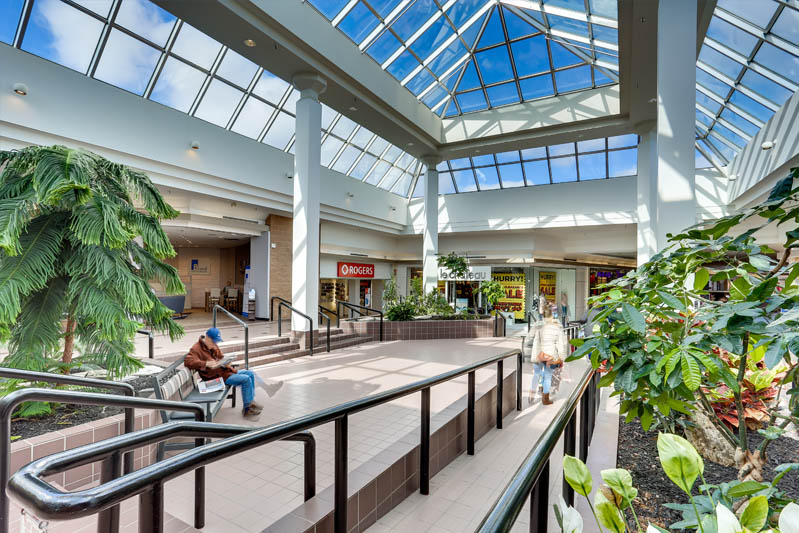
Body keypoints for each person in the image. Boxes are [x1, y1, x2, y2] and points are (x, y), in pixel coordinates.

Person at [184, 327, 264, 419]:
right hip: (214, 378)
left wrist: (226, 362)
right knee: (246, 379)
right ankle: (247, 408)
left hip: (224, 372)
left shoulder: (213, 346)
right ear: (207, 338)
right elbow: (188, 361)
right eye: (214, 341)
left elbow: (221, 357)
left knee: (250, 373)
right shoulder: (196, 348)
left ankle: (251, 403)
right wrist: (206, 363)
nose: (215, 343)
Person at [524, 306, 567, 405]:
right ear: (552, 315)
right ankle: (545, 398)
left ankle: (532, 392)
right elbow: (560, 344)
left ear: (543, 315)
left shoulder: (537, 325)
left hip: (538, 354)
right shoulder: (557, 326)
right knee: (547, 376)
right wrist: (561, 357)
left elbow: (529, 337)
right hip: (550, 356)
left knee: (536, 373)